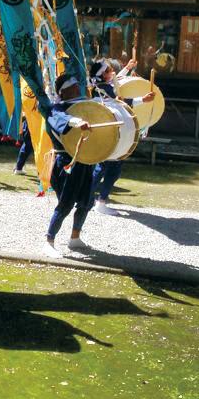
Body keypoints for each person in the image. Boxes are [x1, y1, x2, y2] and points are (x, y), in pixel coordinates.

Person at [89, 59, 154, 215]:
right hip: (113, 133)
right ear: (102, 75)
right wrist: (143, 100)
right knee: (112, 168)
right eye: (109, 70)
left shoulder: (99, 86)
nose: (112, 72)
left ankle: (87, 198)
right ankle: (101, 201)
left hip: (106, 133)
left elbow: (115, 80)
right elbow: (122, 103)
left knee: (101, 167)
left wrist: (127, 68)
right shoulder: (104, 88)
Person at [44, 73, 95, 255]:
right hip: (66, 163)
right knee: (65, 204)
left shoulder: (86, 106)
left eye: (77, 85)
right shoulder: (55, 109)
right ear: (63, 92)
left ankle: (75, 238)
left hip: (86, 161)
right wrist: (77, 122)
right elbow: (60, 121)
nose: (77, 89)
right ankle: (49, 241)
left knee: (87, 202)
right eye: (72, 87)